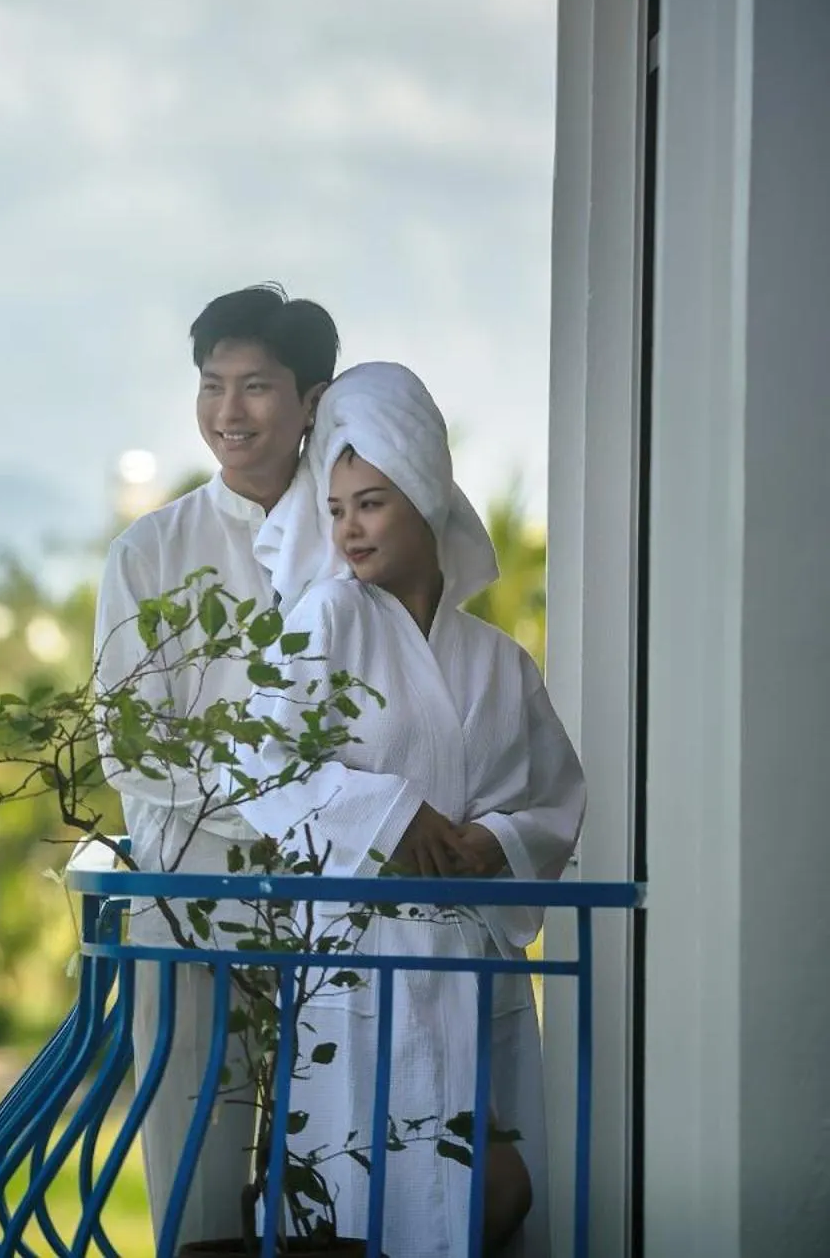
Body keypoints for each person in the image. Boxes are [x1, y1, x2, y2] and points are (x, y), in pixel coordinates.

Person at [239, 361, 586, 1256]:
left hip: (471, 968)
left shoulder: (500, 661)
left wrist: (495, 838)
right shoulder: (324, 621)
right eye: (338, 506)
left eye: (375, 502)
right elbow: (259, 758)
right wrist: (389, 814)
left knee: (496, 1198)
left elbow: (553, 795)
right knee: (368, 1191)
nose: (350, 528)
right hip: (359, 969)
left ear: (427, 496)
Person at [91, 282, 340, 1245]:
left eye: (257, 386)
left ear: (312, 398)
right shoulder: (151, 552)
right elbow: (132, 741)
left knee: (334, 1156)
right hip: (187, 901)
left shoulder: (353, 538)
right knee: (193, 1149)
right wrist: (276, 812)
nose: (228, 414)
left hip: (335, 909)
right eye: (211, 385)